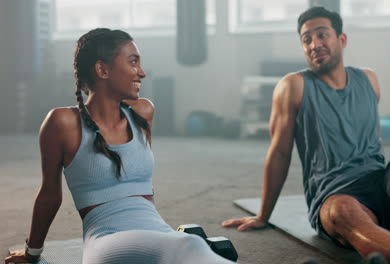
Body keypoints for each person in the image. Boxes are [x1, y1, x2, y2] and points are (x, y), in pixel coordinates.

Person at [222, 7, 390, 264]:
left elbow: (374, 139)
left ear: (342, 39)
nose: (314, 44)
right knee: (344, 209)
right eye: (306, 40)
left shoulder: (368, 79)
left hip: (384, 189)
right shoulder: (293, 86)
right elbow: (280, 153)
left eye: (321, 35)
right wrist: (263, 215)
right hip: (336, 199)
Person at [5, 28, 233, 264]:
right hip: (107, 241)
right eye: (133, 62)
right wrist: (32, 255)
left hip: (158, 232)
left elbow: (144, 191)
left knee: (183, 248)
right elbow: (50, 195)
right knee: (190, 243)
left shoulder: (143, 112)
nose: (142, 73)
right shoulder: (63, 122)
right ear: (102, 69)